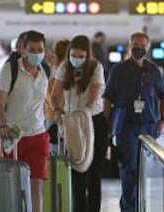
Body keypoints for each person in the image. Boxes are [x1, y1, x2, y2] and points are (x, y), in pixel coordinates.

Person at [103, 32, 164, 212]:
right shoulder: (119, 70)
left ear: (148, 47)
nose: (139, 48)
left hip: (148, 125)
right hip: (126, 126)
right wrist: (109, 124)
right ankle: (130, 208)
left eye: (143, 45)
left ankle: (136, 204)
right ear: (130, 46)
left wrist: (163, 119)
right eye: (136, 45)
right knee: (129, 167)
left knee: (141, 169)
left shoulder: (154, 71)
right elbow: (107, 98)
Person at [0, 30, 49, 212]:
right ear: (23, 49)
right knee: (9, 186)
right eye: (32, 49)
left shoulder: (45, 71)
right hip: (11, 137)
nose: (36, 53)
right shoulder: (10, 69)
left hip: (37, 135)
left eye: (40, 49)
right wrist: (4, 125)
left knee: (35, 186)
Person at [50, 35, 108, 212]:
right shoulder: (64, 67)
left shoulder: (96, 67)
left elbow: (94, 97)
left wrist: (83, 114)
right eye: (73, 55)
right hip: (72, 122)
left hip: (94, 121)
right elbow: (55, 96)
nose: (76, 59)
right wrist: (58, 111)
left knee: (93, 172)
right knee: (77, 170)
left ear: (87, 55)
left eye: (81, 56)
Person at [44, 39, 70, 146]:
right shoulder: (62, 73)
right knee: (61, 155)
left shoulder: (51, 71)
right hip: (59, 117)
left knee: (55, 154)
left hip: (50, 116)